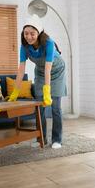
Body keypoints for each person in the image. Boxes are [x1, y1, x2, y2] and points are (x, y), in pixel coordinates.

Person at [8, 14, 67, 149]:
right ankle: (41, 138)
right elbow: (21, 70)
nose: (28, 37)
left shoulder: (49, 44)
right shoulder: (24, 47)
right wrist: (15, 92)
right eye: (26, 33)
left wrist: (47, 91)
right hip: (40, 72)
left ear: (39, 33)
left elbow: (49, 69)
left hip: (56, 71)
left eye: (32, 34)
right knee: (39, 107)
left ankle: (57, 139)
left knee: (55, 107)